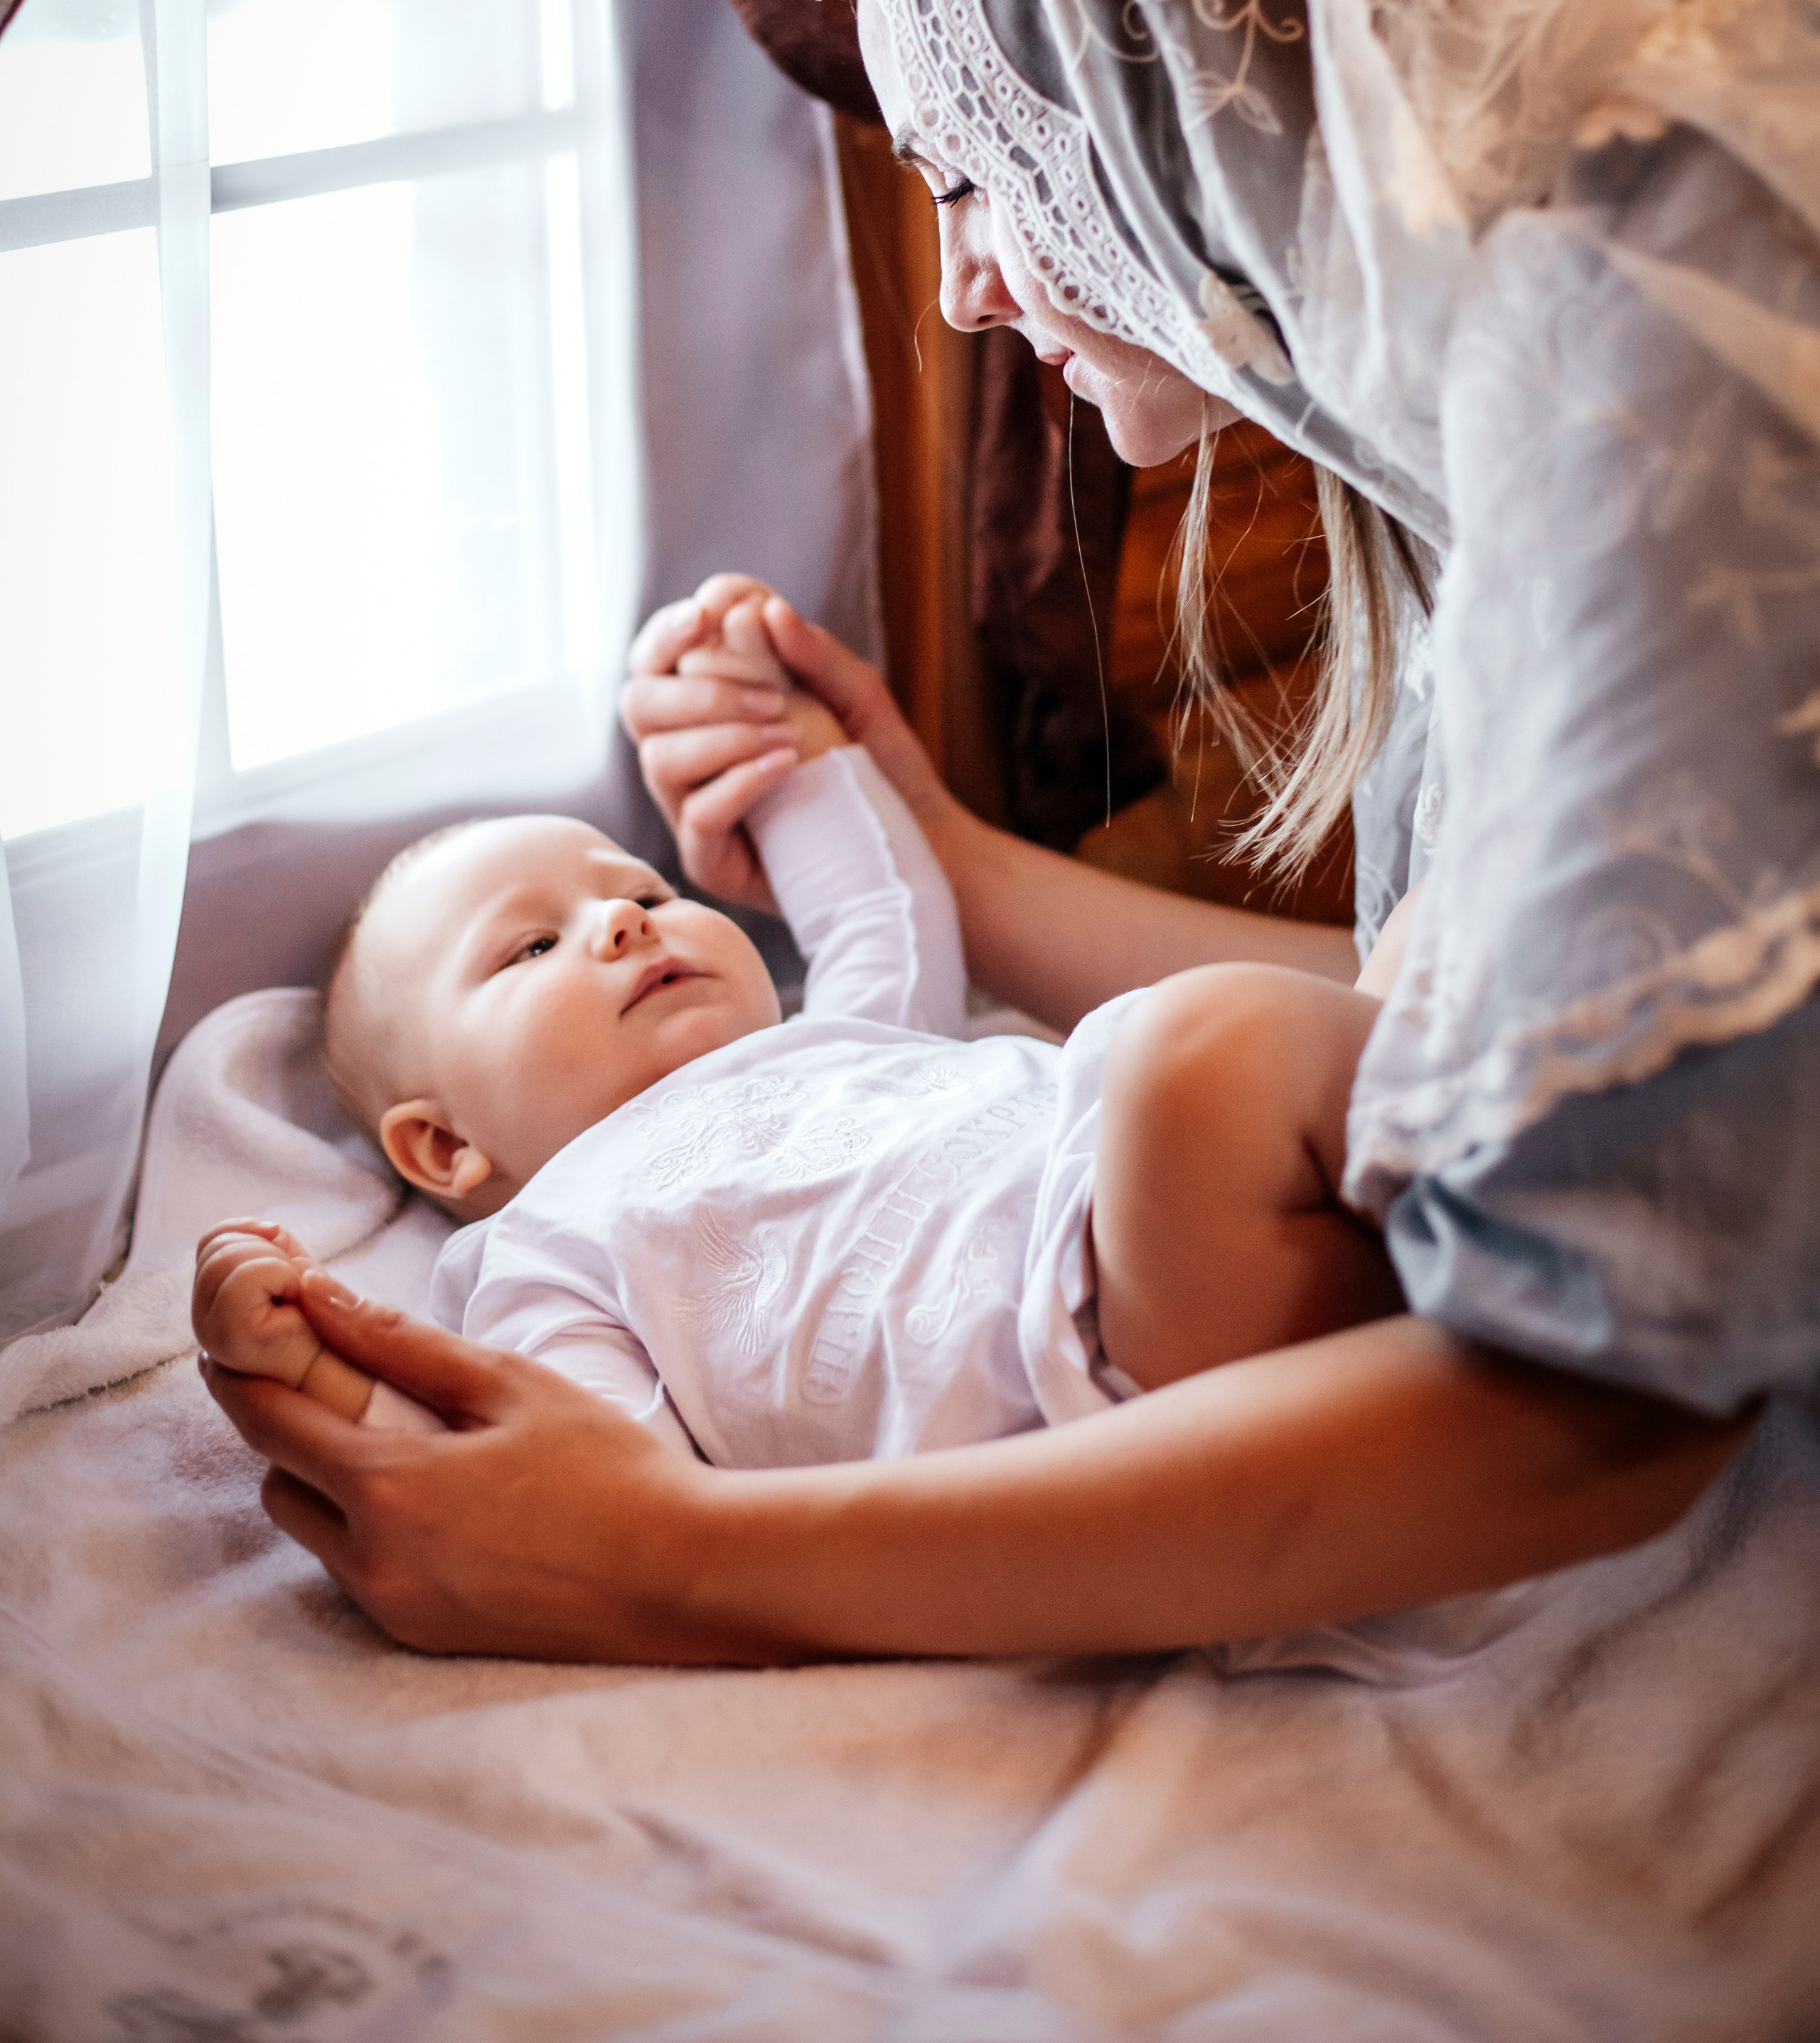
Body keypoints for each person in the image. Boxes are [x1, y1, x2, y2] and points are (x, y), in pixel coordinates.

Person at [202, 0, 1819, 1663]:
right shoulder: (1543, 348)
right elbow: (1550, 1047)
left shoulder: (1661, 396)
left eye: (977, 166)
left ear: (1175, 94)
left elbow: (1592, 1398)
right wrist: (940, 859)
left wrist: (650, 1558)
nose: (965, 285)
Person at [193, 589, 1407, 1471]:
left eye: (648, 895)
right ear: (447, 1150)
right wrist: (317, 1364)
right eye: (532, 948)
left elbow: (884, 904)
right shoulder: (550, 1255)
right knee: (1224, 1049)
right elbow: (570, 1472)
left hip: (1179, 1221)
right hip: (1087, 1372)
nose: (619, 918)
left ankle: (1480, 1259)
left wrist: (781, 747)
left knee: (1304, 1030)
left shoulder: (842, 1040)